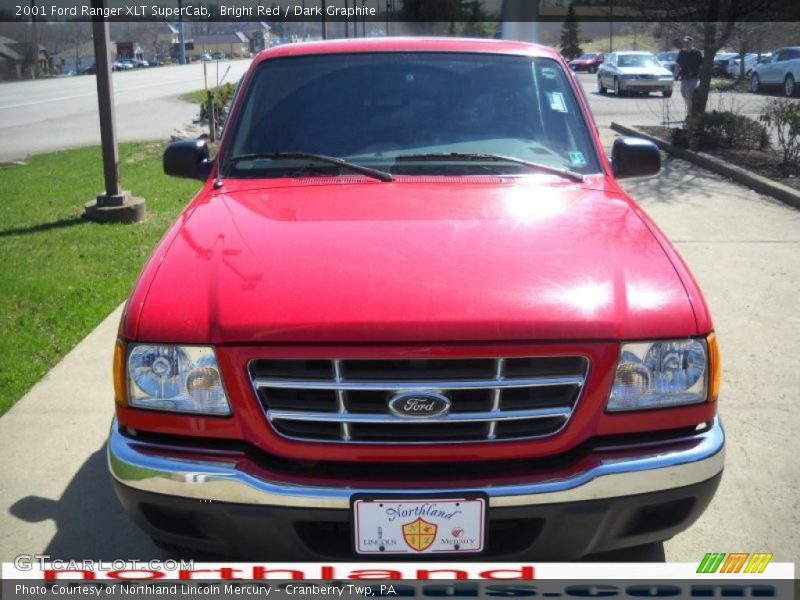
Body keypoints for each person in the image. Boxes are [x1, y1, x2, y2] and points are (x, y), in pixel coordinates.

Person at [675, 36, 703, 120]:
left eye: (688, 42)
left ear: (691, 43)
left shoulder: (697, 53)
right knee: (683, 93)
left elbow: (701, 65)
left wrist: (700, 76)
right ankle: (690, 108)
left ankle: (690, 114)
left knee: (690, 95)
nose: (686, 44)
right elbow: (678, 63)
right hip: (684, 76)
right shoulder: (682, 52)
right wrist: (676, 74)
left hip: (693, 77)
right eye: (685, 43)